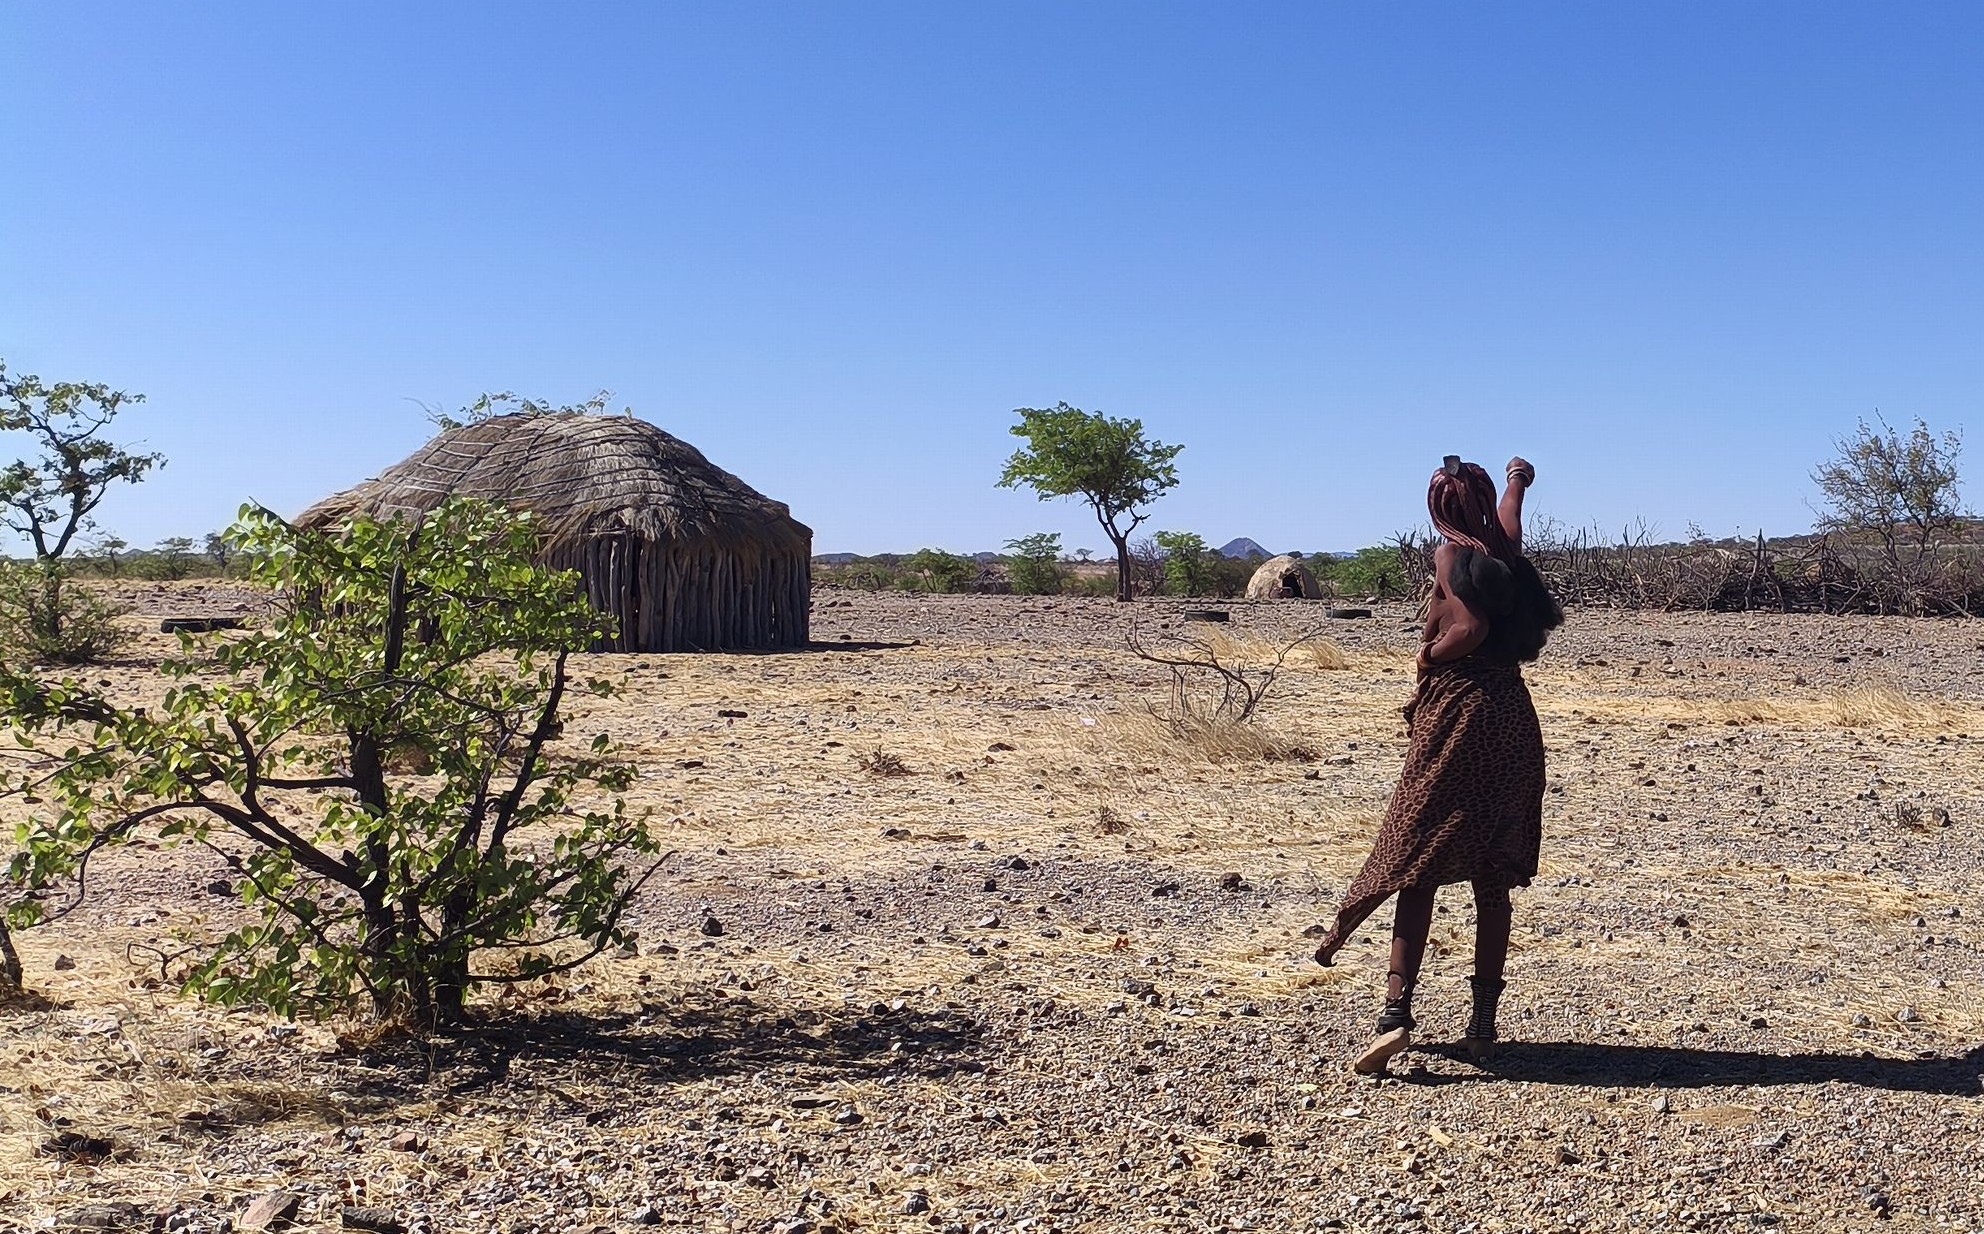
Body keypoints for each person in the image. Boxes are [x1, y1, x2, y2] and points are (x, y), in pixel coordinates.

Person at [1310, 455, 1564, 1074]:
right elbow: (1512, 512)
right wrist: (1516, 480)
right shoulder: (1501, 545)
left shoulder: (1452, 553)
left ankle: (1395, 1014)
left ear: (1440, 509)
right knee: (1492, 872)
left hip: (1459, 714)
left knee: (1416, 856)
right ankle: (1482, 1026)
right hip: (1511, 715)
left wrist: (1429, 654)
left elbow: (1471, 628)